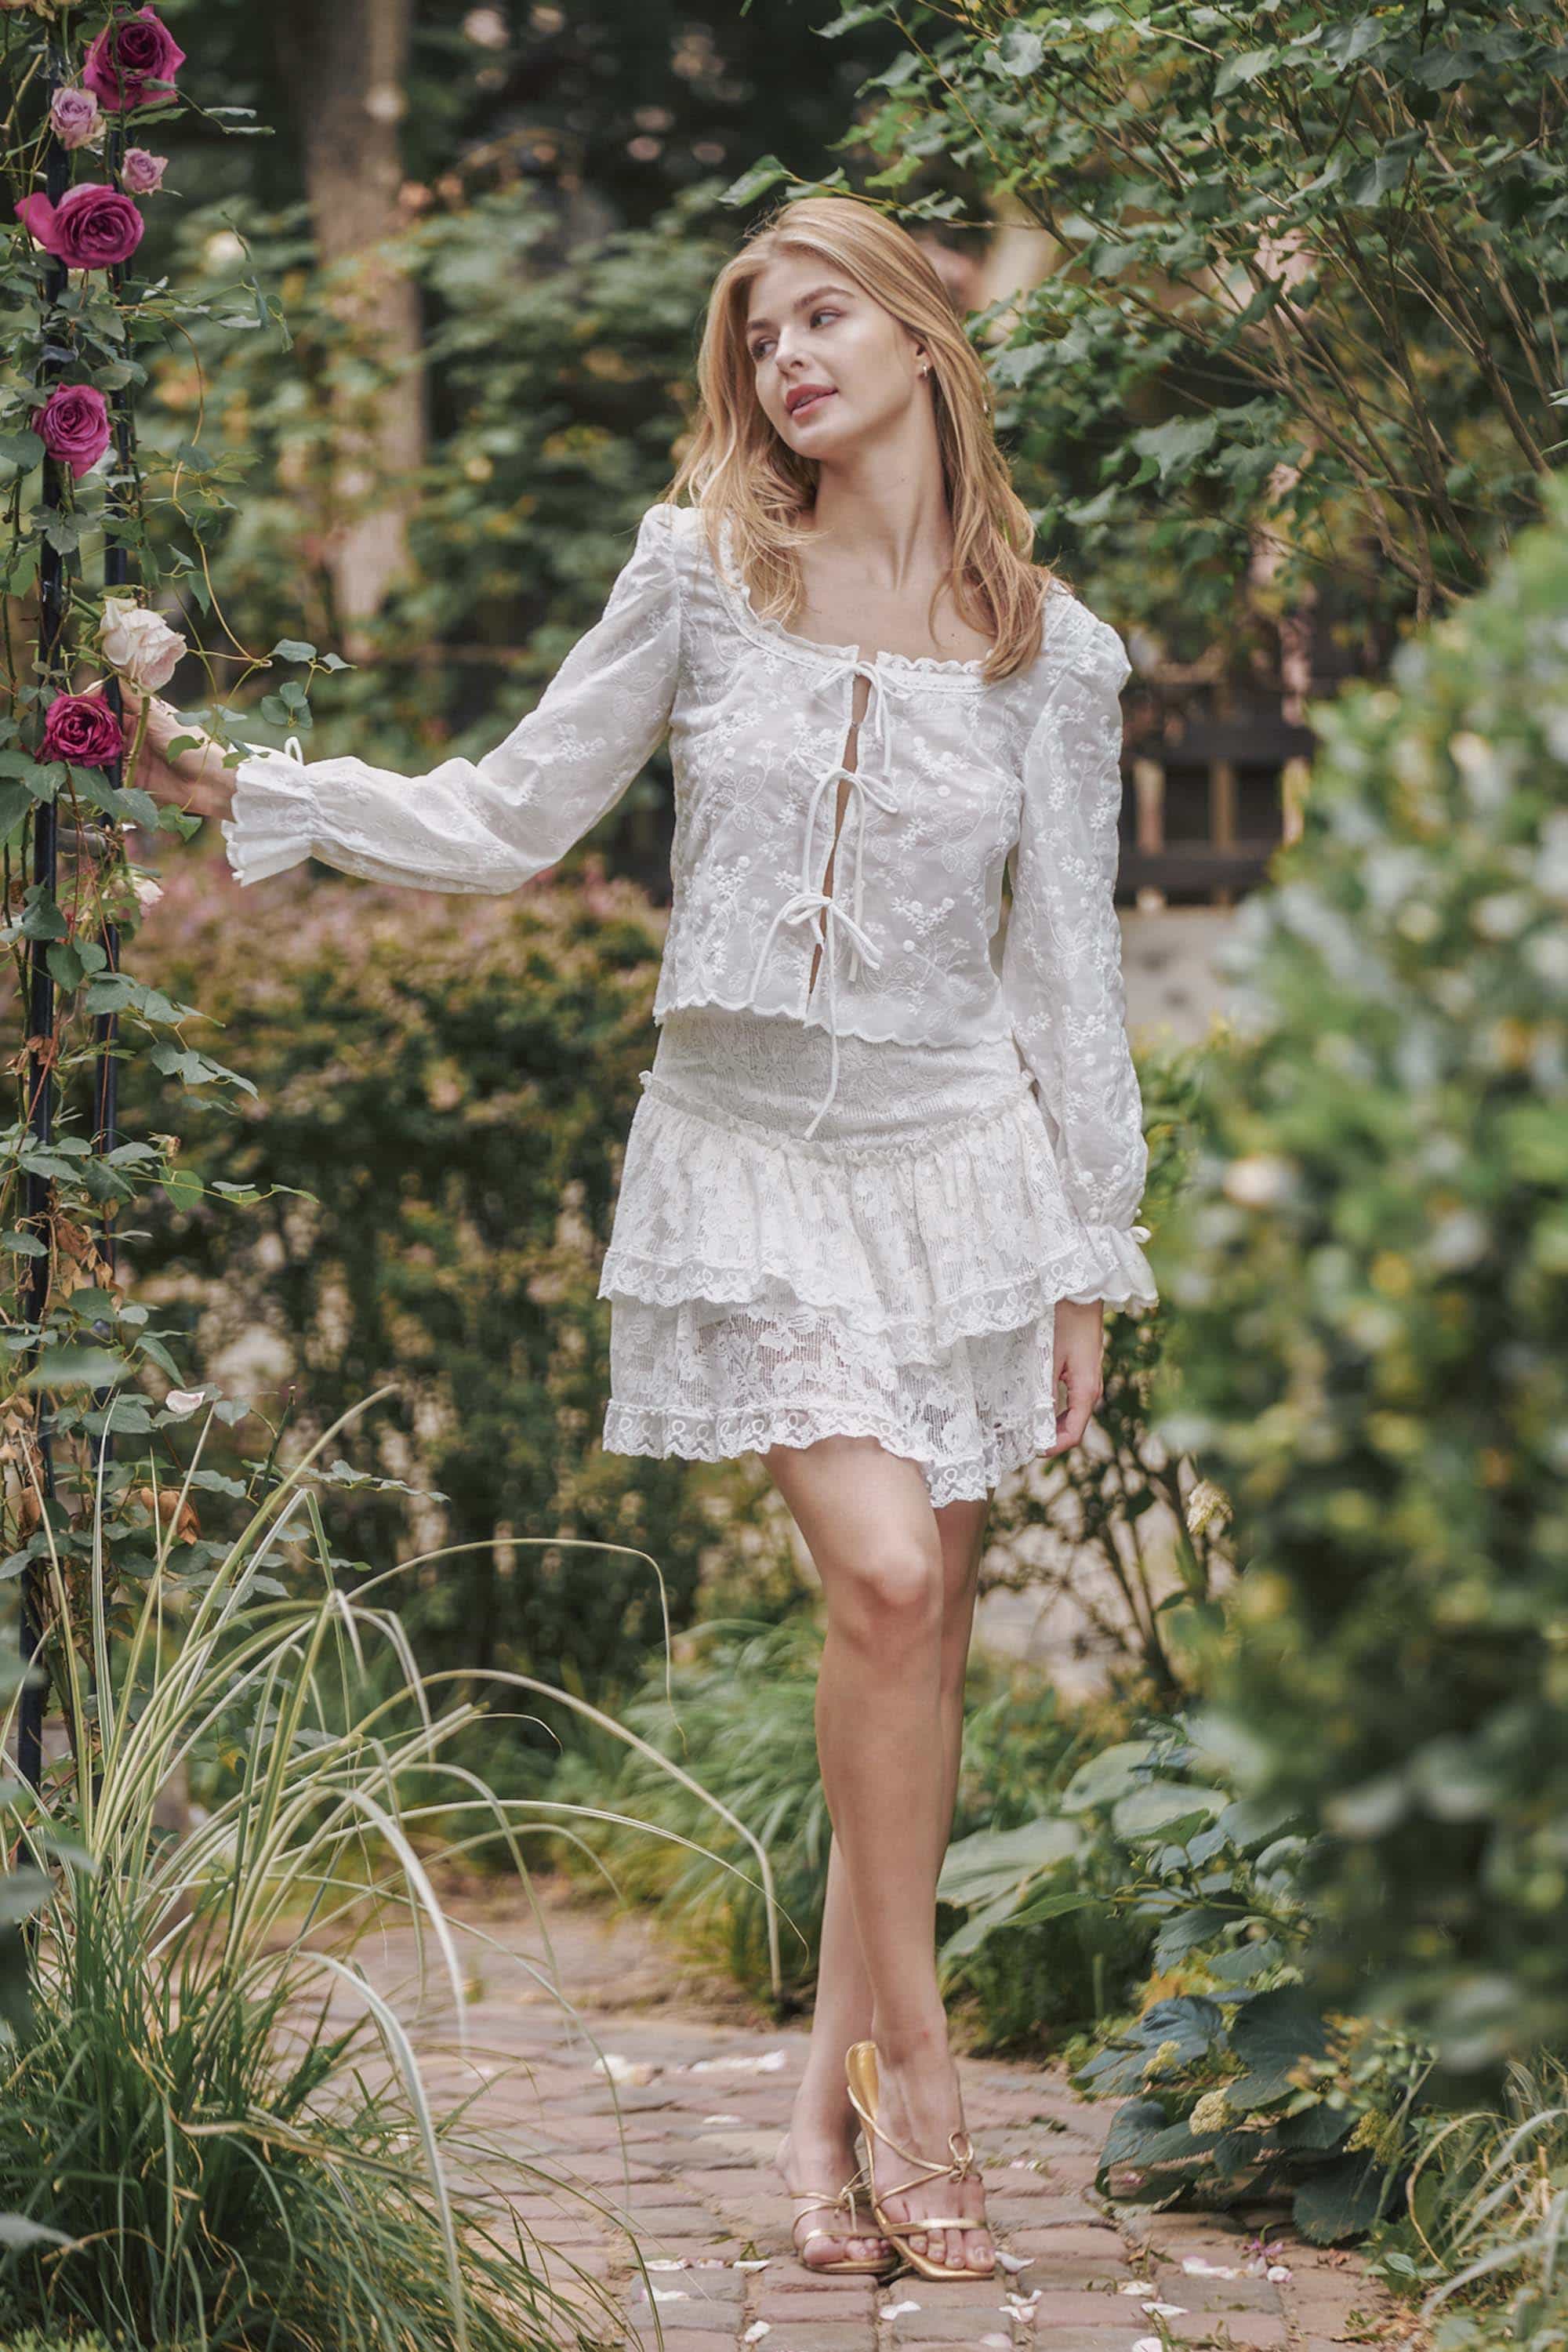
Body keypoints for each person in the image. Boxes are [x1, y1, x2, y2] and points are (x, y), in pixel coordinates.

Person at [118, 193, 1157, 2284]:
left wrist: (1088, 1254)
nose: (789, 357)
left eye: (826, 316)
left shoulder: (1055, 652)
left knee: (915, 1639)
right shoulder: (702, 573)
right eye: (759, 334)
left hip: (968, 1170)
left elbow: (1070, 973)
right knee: (886, 1579)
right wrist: (250, 784)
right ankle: (925, 2081)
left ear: (924, 335)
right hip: (748, 1157)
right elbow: (514, 814)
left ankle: (820, 2125)